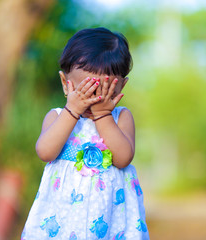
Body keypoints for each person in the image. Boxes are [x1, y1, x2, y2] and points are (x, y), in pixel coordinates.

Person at [21, 27, 149, 240]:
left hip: (110, 218)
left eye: (104, 94)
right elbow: (45, 151)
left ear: (121, 86)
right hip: (62, 217)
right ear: (65, 84)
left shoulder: (121, 117)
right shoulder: (57, 116)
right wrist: (72, 111)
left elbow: (123, 158)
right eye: (85, 92)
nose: (93, 101)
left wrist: (103, 116)